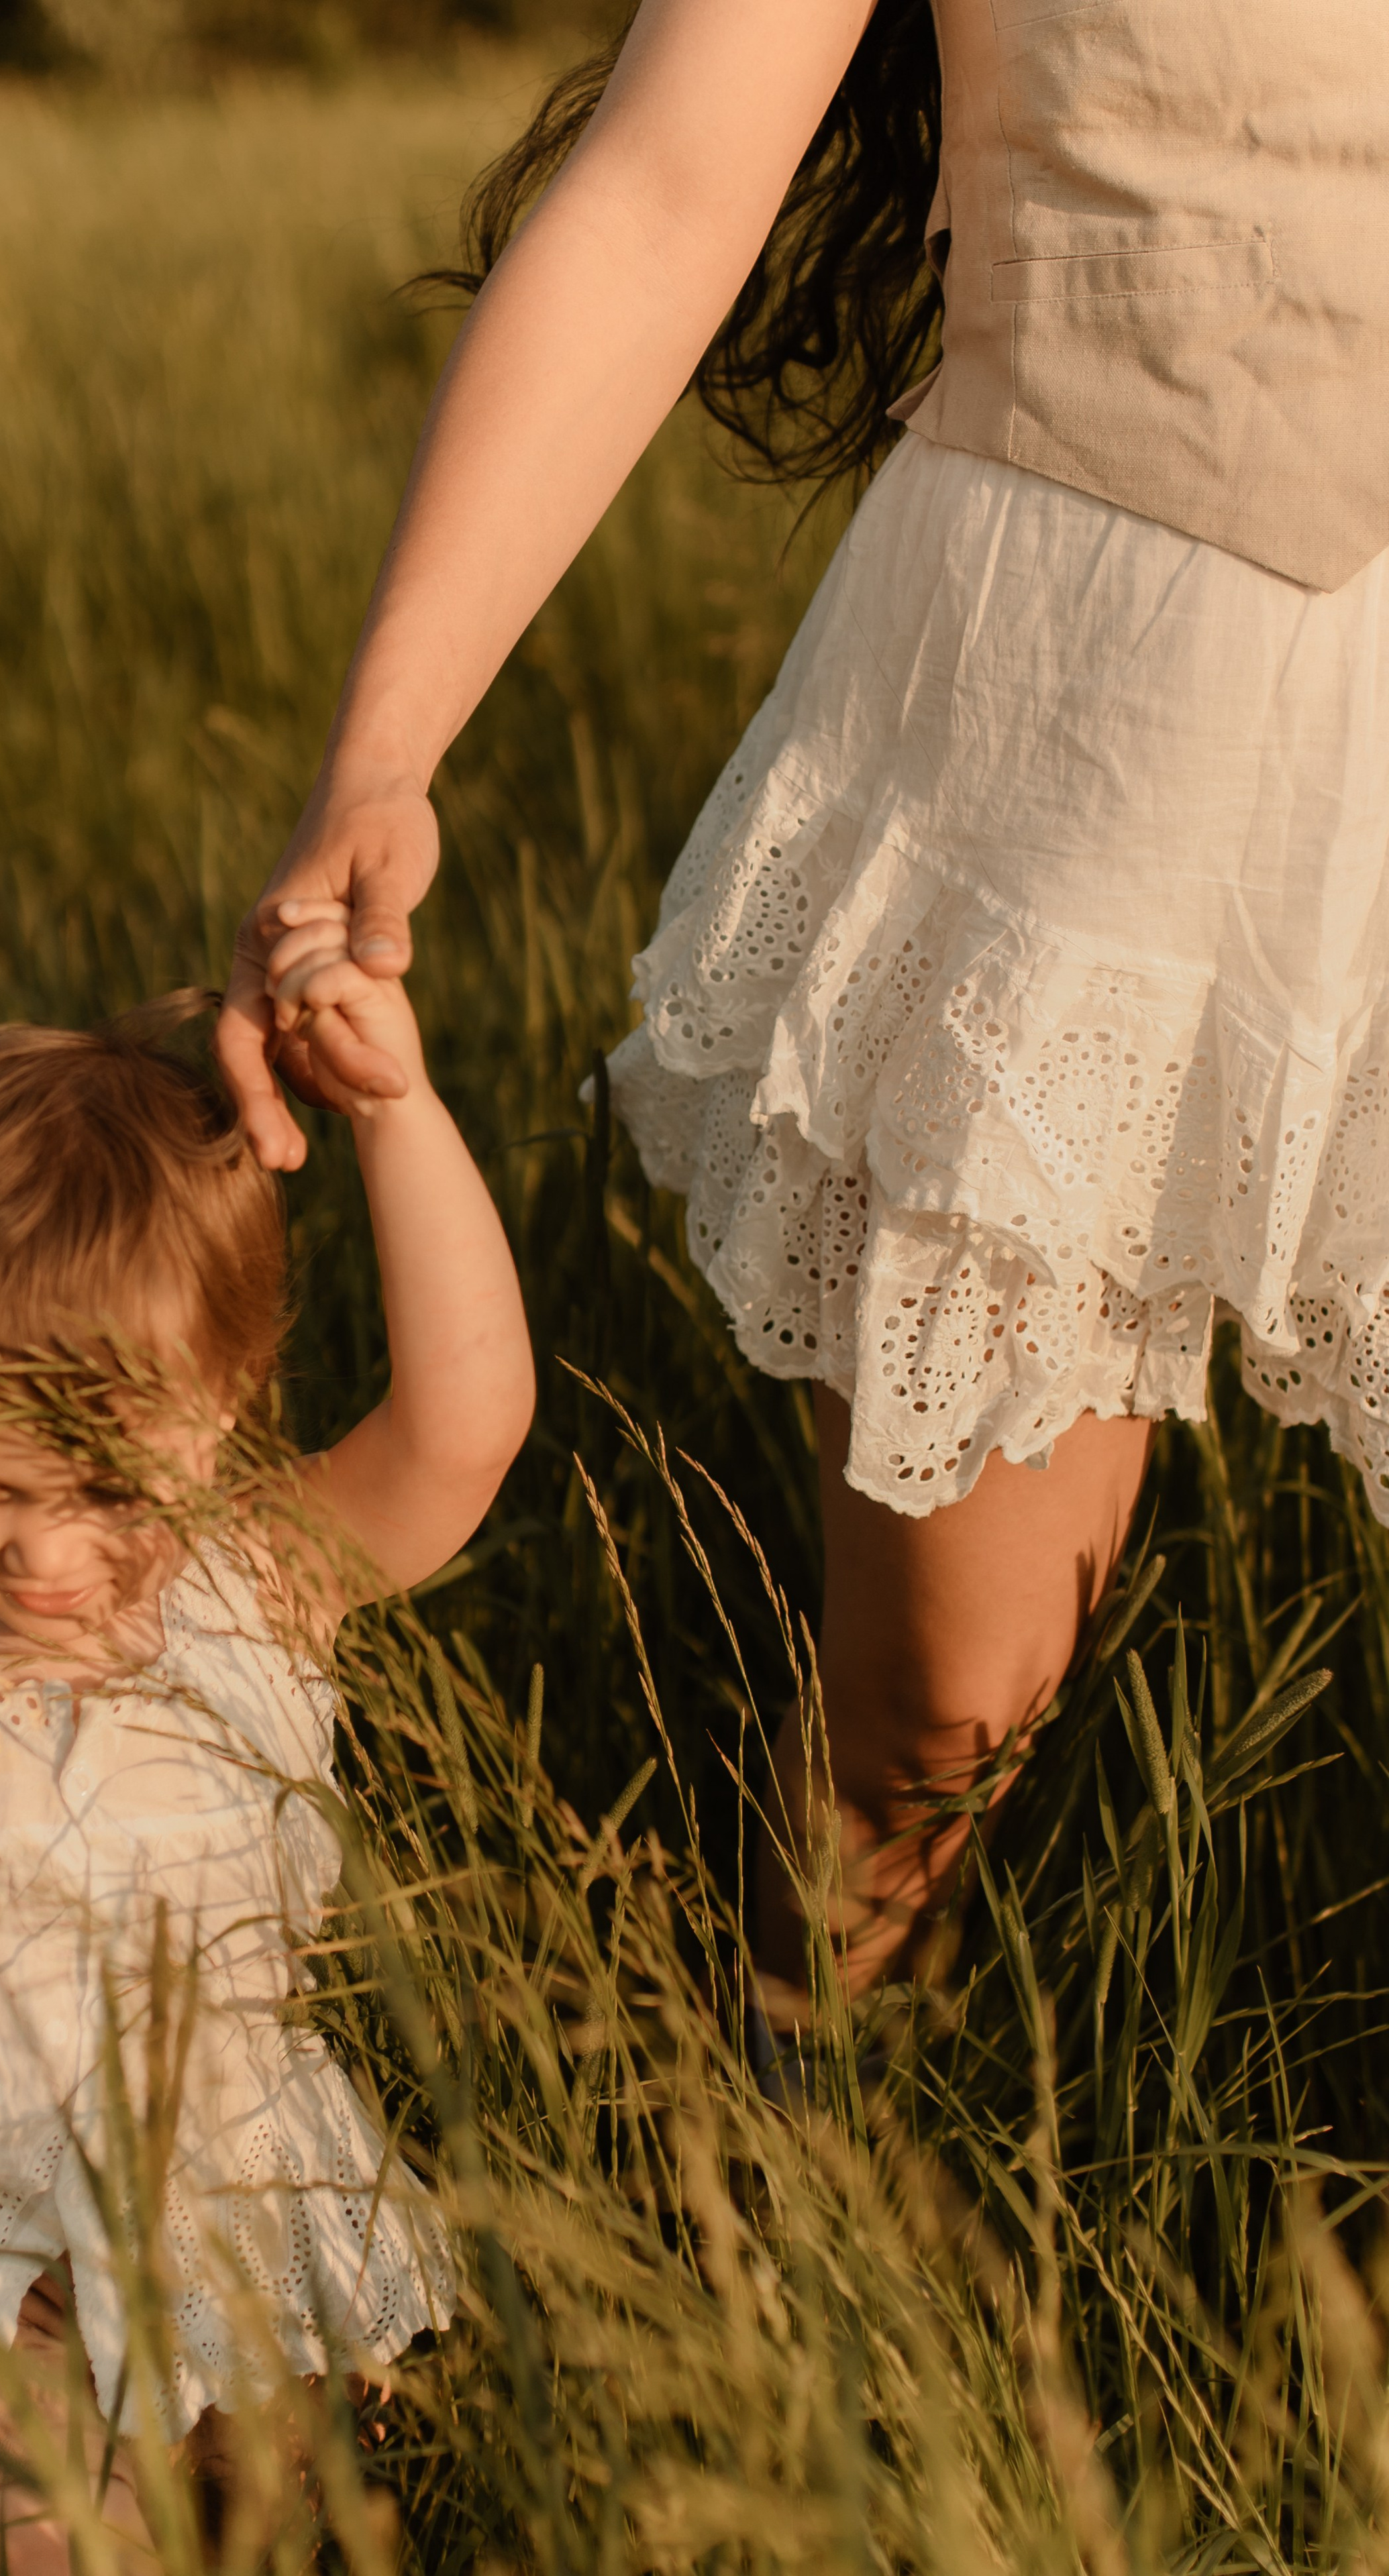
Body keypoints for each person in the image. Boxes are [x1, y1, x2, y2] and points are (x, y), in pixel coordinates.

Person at [216, 0, 1389, 2002]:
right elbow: (669, 191)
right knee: (937, 1713)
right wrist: (379, 756)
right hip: (1088, 723)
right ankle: (802, 2192)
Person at [0, 924, 534, 2571]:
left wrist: (399, 1109)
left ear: (225, 1403)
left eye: (104, 1488)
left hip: (228, 2225)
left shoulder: (263, 1583)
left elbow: (464, 1420)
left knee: (302, 2529)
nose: (43, 1554)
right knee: (30, 2538)